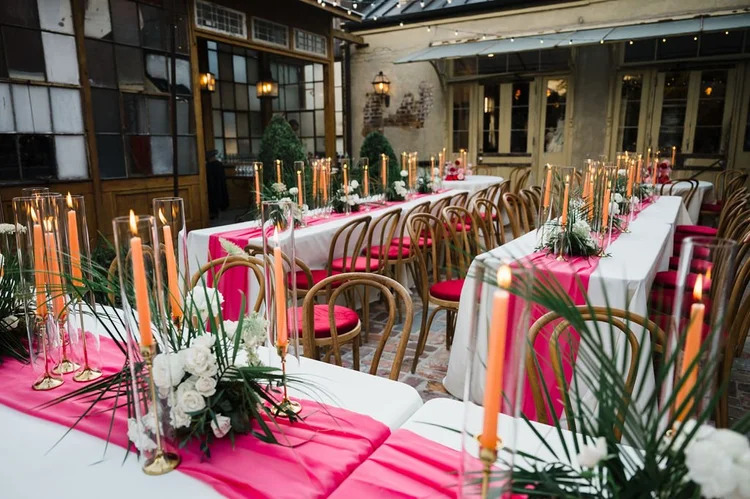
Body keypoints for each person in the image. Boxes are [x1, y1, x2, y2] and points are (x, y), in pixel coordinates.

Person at [205, 149, 229, 219]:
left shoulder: (208, 166)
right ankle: (218, 212)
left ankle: (214, 213)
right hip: (218, 185)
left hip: (211, 185)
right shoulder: (218, 164)